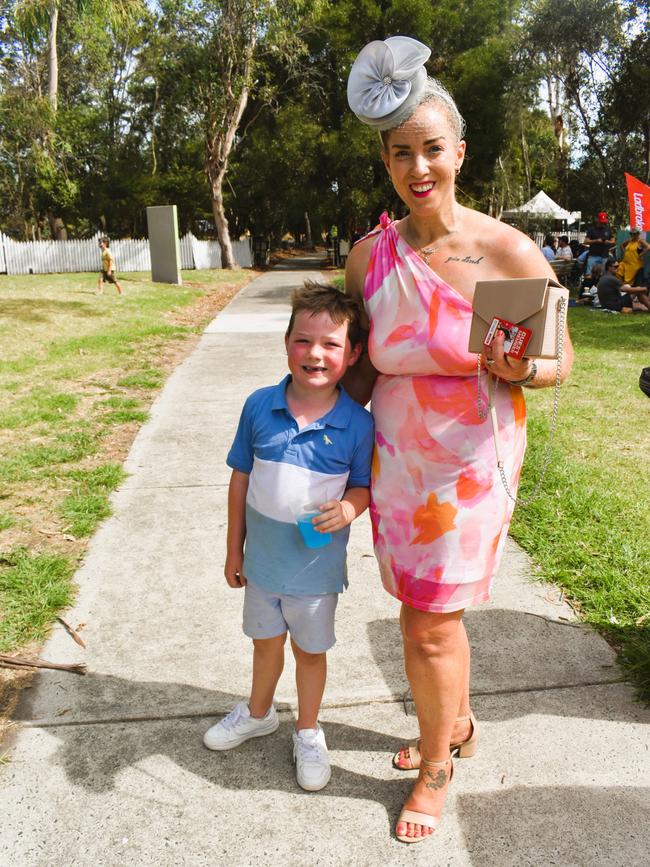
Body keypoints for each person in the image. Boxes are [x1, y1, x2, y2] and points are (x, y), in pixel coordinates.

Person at [345, 36, 574, 844]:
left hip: (471, 462)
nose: (418, 167)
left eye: (432, 149)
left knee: (428, 623)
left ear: (459, 152)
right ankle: (458, 726)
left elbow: (556, 362)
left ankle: (437, 769)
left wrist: (521, 367)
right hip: (397, 461)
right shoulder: (370, 254)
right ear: (386, 159)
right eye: (401, 152)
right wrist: (311, 429)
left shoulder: (502, 251)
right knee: (420, 614)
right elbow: (362, 372)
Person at [202, 282, 374, 792]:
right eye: (303, 340)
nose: (314, 354)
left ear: (354, 354)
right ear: (286, 342)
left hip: (316, 573)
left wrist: (348, 507)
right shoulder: (259, 406)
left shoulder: (357, 424)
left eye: (331, 344)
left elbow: (365, 486)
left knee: (311, 652)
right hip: (262, 565)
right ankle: (259, 713)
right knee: (264, 643)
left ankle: (307, 728)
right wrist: (234, 549)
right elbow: (240, 479)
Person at [584, 211, 615, 276]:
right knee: (589, 273)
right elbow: (586, 241)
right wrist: (596, 241)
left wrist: (608, 242)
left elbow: (613, 241)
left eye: (604, 222)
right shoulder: (591, 230)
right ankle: (588, 285)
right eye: (601, 221)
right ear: (597, 220)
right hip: (593, 255)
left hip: (604, 256)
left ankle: (602, 285)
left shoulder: (608, 229)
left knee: (604, 273)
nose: (603, 223)